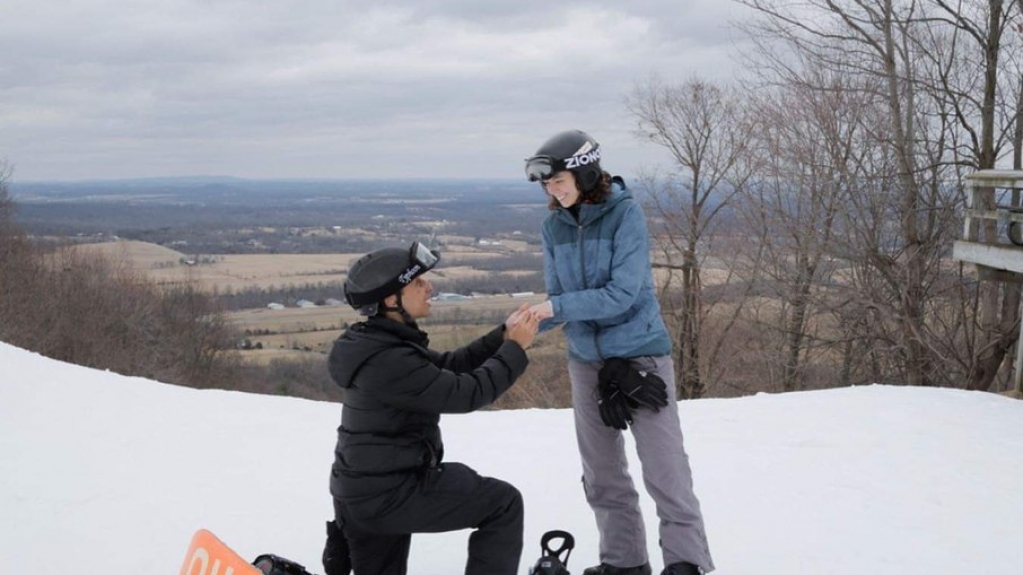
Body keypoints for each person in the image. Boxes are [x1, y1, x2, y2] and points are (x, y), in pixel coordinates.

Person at [523, 130, 715, 575]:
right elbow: (560, 296)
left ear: (586, 171)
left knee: (664, 468)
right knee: (602, 471)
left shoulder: (625, 214)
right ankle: (625, 563)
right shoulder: (553, 226)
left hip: (640, 355)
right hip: (587, 362)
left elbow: (622, 294)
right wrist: (528, 323)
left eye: (558, 181)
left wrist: (556, 307)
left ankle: (685, 563)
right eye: (547, 186)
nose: (552, 191)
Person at [321, 241, 540, 575]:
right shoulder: (389, 359)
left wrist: (502, 336)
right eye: (418, 283)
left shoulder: (378, 344)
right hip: (387, 494)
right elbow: (468, 393)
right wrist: (515, 349)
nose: (429, 287)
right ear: (391, 300)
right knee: (502, 504)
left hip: (363, 493)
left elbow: (451, 367)